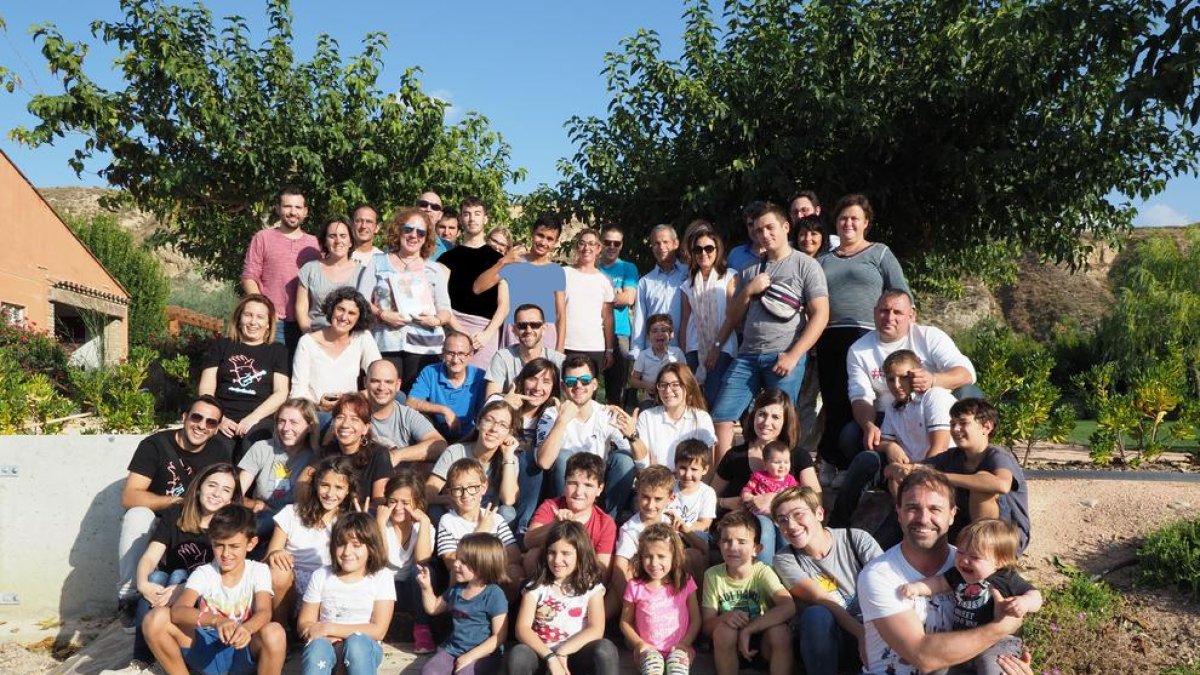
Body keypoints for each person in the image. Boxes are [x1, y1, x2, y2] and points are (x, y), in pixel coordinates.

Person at [858, 469, 1024, 675]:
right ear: (898, 513)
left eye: (935, 509)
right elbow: (922, 656)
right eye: (912, 508)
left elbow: (1016, 609)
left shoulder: (977, 566)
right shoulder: (880, 575)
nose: (923, 518)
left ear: (952, 514)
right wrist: (1000, 628)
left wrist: (1010, 663)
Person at [711, 202, 829, 461]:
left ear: (786, 227)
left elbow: (821, 314)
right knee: (722, 416)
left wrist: (794, 355)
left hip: (783, 356)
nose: (764, 234)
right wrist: (748, 290)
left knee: (780, 422)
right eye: (759, 230)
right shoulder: (750, 269)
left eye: (770, 227)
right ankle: (723, 476)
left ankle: (780, 475)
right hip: (747, 356)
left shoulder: (806, 265)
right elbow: (733, 316)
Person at [814, 194, 910, 476]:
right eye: (843, 218)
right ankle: (831, 460)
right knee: (833, 400)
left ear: (866, 222)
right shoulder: (823, 260)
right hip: (829, 335)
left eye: (855, 218)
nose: (848, 223)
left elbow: (902, 292)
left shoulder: (879, 253)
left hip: (867, 335)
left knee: (861, 398)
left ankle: (855, 464)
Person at [118, 396, 231, 620]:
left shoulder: (219, 450)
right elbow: (130, 496)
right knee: (136, 516)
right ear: (184, 417)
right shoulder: (155, 445)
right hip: (161, 519)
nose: (202, 425)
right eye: (197, 417)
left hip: (197, 520)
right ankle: (128, 597)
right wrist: (176, 502)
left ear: (216, 429)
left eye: (210, 422)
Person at [143, 505, 285, 675]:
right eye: (219, 545)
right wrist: (217, 621)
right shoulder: (204, 573)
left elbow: (264, 612)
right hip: (207, 648)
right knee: (155, 618)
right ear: (211, 541)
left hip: (243, 647)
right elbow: (178, 611)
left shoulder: (258, 570)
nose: (226, 554)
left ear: (251, 544)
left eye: (234, 546)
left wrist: (248, 629)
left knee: (274, 631)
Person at [845, 289, 978, 468]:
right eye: (884, 311)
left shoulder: (930, 336)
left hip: (930, 410)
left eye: (897, 312)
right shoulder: (858, 349)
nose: (889, 317)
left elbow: (967, 373)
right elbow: (860, 396)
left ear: (912, 315)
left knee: (970, 393)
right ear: (875, 312)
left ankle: (970, 459)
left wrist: (933, 380)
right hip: (888, 415)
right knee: (851, 435)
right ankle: (881, 471)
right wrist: (868, 426)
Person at [129, 464, 243, 669]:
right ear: (199, 487)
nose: (216, 493)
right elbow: (151, 556)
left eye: (226, 490)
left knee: (178, 575)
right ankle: (142, 660)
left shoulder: (230, 526)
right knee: (155, 579)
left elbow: (225, 573)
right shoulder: (176, 513)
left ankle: (171, 656)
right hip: (168, 589)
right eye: (212, 485)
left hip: (205, 593)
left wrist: (183, 588)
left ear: (231, 499)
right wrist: (142, 584)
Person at [885, 399, 1031, 553]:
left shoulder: (997, 456)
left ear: (986, 427)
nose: (955, 429)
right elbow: (908, 469)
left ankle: (984, 554)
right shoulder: (953, 456)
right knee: (904, 481)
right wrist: (898, 469)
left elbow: (1002, 484)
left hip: (1005, 537)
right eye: (952, 424)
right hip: (961, 532)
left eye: (963, 423)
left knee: (981, 486)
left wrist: (940, 477)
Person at [829, 349, 953, 529]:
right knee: (867, 459)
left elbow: (939, 449)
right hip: (904, 469)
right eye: (890, 379)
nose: (896, 385)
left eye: (903, 377)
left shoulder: (933, 397)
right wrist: (889, 447)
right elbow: (883, 441)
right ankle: (836, 524)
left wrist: (909, 472)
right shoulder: (893, 407)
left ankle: (902, 521)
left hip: (934, 470)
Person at [900, 519, 1042, 675]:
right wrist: (917, 587)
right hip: (964, 639)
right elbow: (939, 583)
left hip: (1000, 642)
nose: (964, 560)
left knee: (993, 669)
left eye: (975, 557)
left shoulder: (1006, 578)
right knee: (938, 669)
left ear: (999, 561)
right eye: (960, 552)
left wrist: (1024, 602)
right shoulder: (958, 575)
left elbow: (1036, 596)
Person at [771, 486, 882, 675]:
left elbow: (885, 586)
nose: (791, 525)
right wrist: (861, 634)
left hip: (875, 629)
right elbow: (821, 599)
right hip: (831, 637)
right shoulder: (785, 559)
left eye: (798, 514)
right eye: (782, 520)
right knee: (816, 614)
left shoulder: (856, 539)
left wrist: (872, 635)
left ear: (819, 513)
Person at [712, 389, 820, 563]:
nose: (766, 422)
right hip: (743, 525)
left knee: (782, 526)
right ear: (753, 416)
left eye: (775, 417)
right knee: (765, 527)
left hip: (787, 522)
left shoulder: (798, 455)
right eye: (762, 414)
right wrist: (727, 502)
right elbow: (709, 496)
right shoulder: (735, 456)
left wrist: (775, 499)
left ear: (785, 422)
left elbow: (815, 496)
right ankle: (764, 573)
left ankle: (789, 569)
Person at [357, 207, 452, 394]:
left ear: (426, 238)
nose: (413, 235)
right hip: (385, 343)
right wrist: (382, 314)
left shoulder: (434, 269)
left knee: (416, 401)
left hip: (425, 348)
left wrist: (436, 320)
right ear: (398, 230)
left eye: (420, 232)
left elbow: (445, 309)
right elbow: (360, 300)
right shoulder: (377, 262)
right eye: (408, 229)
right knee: (384, 397)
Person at [508, 521, 618, 675]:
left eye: (566, 553)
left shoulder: (592, 588)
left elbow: (596, 629)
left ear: (580, 554)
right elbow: (522, 628)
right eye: (552, 552)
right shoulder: (536, 586)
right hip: (543, 654)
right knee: (519, 654)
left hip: (576, 653)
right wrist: (551, 657)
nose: (557, 560)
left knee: (605, 649)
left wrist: (562, 651)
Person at [534, 355, 637, 518]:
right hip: (567, 487)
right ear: (563, 386)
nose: (578, 386)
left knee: (624, 459)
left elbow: (634, 458)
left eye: (585, 380)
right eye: (571, 381)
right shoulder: (552, 414)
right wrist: (562, 421)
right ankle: (567, 518)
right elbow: (544, 462)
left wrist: (633, 435)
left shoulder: (605, 413)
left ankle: (609, 520)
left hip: (597, 484)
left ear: (595, 384)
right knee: (563, 457)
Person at [297, 512, 396, 675]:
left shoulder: (381, 576)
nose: (347, 552)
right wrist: (317, 633)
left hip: (363, 648)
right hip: (326, 644)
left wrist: (329, 628)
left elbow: (379, 630)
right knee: (317, 648)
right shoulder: (321, 575)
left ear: (371, 548)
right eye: (341, 544)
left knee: (356, 643)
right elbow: (304, 622)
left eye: (356, 545)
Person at [198, 294, 290, 465]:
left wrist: (253, 418)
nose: (253, 322)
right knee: (219, 447)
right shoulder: (221, 346)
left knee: (252, 444)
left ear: (268, 324)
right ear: (239, 319)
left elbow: (281, 392)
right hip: (223, 415)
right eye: (248, 315)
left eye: (260, 317)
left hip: (260, 418)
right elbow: (206, 389)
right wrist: (219, 419)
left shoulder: (278, 351)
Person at [701, 510, 795, 675]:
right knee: (724, 632)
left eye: (742, 542)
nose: (733, 548)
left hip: (762, 642)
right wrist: (726, 618)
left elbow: (788, 606)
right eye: (726, 541)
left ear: (756, 549)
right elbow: (707, 627)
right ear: (719, 545)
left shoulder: (762, 572)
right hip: (731, 646)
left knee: (781, 632)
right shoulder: (712, 575)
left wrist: (749, 630)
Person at [266, 456, 358, 617]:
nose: (330, 493)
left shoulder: (349, 520)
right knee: (278, 571)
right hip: (290, 585)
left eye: (338, 487)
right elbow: (270, 554)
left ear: (348, 490)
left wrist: (362, 525)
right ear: (316, 484)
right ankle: (282, 625)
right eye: (325, 485)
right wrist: (276, 554)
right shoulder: (291, 513)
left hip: (326, 585)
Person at [609, 466, 706, 618]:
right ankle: (624, 616)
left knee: (695, 556)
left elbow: (704, 549)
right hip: (646, 581)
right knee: (629, 570)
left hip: (669, 575)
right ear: (638, 493)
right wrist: (632, 605)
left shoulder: (670, 519)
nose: (650, 505)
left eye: (658, 499)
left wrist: (686, 531)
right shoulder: (630, 529)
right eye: (645, 497)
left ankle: (698, 614)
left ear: (671, 498)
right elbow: (619, 569)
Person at [241, 185, 321, 355]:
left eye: (298, 207)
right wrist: (265, 310)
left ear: (305, 211)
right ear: (278, 208)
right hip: (273, 322)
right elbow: (249, 277)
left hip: (307, 323)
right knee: (270, 369)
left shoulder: (315, 244)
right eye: (287, 206)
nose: (293, 212)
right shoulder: (263, 238)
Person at [417, 532, 510, 675]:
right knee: (429, 671)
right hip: (453, 650)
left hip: (484, 655)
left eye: (463, 562)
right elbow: (433, 608)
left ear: (482, 565)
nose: (456, 564)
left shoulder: (494, 594)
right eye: (457, 558)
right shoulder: (457, 590)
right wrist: (426, 587)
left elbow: (499, 636)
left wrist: (471, 656)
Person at [473, 213, 567, 349]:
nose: (543, 242)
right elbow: (478, 288)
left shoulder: (556, 271)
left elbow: (561, 315)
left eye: (549, 239)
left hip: (545, 337)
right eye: (540, 235)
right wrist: (503, 261)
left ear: (556, 242)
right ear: (532, 233)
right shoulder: (514, 262)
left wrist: (560, 349)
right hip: (514, 333)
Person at [438, 197, 509, 370]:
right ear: (461, 219)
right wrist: (459, 330)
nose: (472, 218)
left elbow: (504, 304)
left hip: (485, 335)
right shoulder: (446, 259)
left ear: (485, 219)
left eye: (477, 214)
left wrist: (487, 334)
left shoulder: (499, 260)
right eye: (467, 214)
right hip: (453, 331)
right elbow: (440, 300)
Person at [620, 524, 700, 675]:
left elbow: (696, 619)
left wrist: (685, 643)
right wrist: (639, 644)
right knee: (653, 668)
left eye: (661, 556)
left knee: (677, 670)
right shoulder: (635, 586)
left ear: (674, 556)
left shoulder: (685, 582)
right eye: (648, 556)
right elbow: (625, 622)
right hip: (648, 651)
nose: (654, 563)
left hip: (679, 648)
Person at [425, 400, 521, 526]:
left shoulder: (510, 459)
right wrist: (454, 499)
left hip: (487, 519)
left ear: (509, 433)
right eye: (489, 420)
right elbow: (428, 492)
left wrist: (508, 456)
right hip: (455, 516)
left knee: (508, 512)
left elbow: (508, 500)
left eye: (503, 425)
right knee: (434, 510)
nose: (494, 429)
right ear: (478, 423)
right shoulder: (455, 451)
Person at [433, 459, 524, 591]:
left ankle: (502, 604)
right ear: (450, 492)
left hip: (495, 575)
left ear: (483, 488)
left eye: (472, 487)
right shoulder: (448, 521)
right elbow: (451, 563)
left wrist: (487, 568)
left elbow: (514, 555)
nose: (465, 494)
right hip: (466, 581)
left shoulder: (495, 519)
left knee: (515, 571)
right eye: (458, 489)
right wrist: (480, 532)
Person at [288, 287, 381, 416]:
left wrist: (347, 399)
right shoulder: (307, 342)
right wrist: (319, 406)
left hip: (351, 411)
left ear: (359, 318)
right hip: (316, 412)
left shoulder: (363, 337)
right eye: (340, 309)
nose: (344, 317)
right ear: (332, 309)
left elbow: (381, 378)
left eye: (351, 313)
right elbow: (298, 392)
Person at [238, 398, 321, 541]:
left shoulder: (315, 458)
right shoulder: (262, 448)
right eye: (281, 421)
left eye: (293, 422)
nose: (286, 428)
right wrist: (254, 504)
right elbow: (236, 494)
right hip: (260, 517)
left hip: (294, 523)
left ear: (310, 427)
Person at [523, 453, 617, 577]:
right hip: (549, 575)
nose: (579, 492)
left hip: (582, 579)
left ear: (599, 489)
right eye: (573, 483)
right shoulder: (551, 506)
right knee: (532, 555)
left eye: (588, 485)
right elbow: (528, 541)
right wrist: (555, 526)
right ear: (565, 483)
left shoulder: (605, 523)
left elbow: (602, 570)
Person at [500, 357, 561, 533]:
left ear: (553, 388)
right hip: (503, 480)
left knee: (532, 459)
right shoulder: (501, 403)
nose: (537, 387)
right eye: (532, 379)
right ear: (522, 380)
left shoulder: (552, 416)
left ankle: (524, 525)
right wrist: (505, 408)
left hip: (539, 487)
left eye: (546, 382)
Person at [377, 472, 435, 654]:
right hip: (384, 592)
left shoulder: (423, 527)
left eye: (406, 502)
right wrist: (379, 523)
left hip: (412, 591)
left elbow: (422, 559)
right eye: (393, 501)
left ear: (417, 503)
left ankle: (422, 627)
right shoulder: (381, 524)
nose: (398, 507)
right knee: (378, 572)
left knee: (421, 571)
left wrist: (424, 521)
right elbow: (379, 559)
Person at [680, 227, 738, 405]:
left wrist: (716, 348)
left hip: (723, 345)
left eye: (709, 248)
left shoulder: (729, 276)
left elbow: (732, 316)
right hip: (694, 347)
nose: (703, 253)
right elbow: (685, 321)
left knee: (714, 396)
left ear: (717, 250)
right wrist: (682, 353)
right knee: (693, 400)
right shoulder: (687, 284)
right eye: (698, 249)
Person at [308, 394, 394, 503]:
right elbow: (303, 485)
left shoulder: (378, 454)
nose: (345, 424)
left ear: (365, 428)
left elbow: (380, 500)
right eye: (340, 417)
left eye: (354, 419)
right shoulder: (324, 453)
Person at [407, 331, 489, 441]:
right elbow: (411, 402)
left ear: (470, 355)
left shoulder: (480, 376)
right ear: (443, 354)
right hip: (435, 434)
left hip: (470, 436)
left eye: (461, 354)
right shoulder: (430, 372)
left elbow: (486, 413)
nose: (455, 360)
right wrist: (444, 410)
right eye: (450, 353)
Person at [363, 359, 447, 464]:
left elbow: (440, 445)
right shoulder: (354, 414)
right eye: (375, 381)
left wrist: (397, 455)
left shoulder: (407, 415)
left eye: (388, 382)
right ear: (365, 382)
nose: (381, 387)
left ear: (398, 385)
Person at [634, 363, 716, 470]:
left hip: (689, 480)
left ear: (687, 386)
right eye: (663, 385)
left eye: (675, 384)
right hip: (655, 479)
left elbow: (708, 465)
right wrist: (632, 435)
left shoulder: (702, 418)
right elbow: (642, 465)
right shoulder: (647, 416)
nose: (668, 390)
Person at [296, 217, 368, 334]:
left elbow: (366, 311)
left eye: (343, 236)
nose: (338, 241)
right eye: (332, 236)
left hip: (351, 338)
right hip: (316, 335)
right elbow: (301, 308)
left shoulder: (363, 273)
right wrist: (310, 336)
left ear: (351, 241)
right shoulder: (310, 269)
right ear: (325, 241)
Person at [559, 228, 616, 372]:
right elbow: (558, 311)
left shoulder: (605, 280)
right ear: (577, 246)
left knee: (589, 385)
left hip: (594, 346)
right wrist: (558, 345)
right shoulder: (564, 273)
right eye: (582, 243)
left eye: (591, 244)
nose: (586, 248)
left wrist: (609, 349)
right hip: (567, 344)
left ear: (598, 248)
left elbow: (608, 317)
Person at [630, 225, 688, 360]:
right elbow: (639, 320)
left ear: (676, 244)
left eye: (665, 242)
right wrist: (637, 351)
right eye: (656, 243)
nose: (661, 247)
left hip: (683, 349)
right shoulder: (645, 282)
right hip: (653, 353)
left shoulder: (689, 274)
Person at [598, 223, 639, 407]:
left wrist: (599, 296)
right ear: (600, 242)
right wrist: (615, 294)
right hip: (593, 332)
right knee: (586, 385)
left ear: (622, 245)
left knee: (616, 392)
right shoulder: (593, 267)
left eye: (617, 243)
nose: (612, 247)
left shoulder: (628, 268)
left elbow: (629, 298)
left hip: (620, 333)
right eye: (607, 242)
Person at [484, 303, 565, 396]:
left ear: (544, 328)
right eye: (522, 325)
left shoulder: (559, 361)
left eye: (535, 325)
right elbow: (491, 399)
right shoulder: (502, 358)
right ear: (514, 330)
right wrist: (508, 401)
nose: (528, 330)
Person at [664, 439, 717, 556]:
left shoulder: (707, 493)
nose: (688, 475)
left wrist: (683, 526)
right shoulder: (668, 487)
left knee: (692, 555)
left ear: (705, 470)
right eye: (683, 468)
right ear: (676, 466)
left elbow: (704, 524)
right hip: (668, 537)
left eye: (694, 469)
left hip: (694, 540)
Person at [628, 314, 686, 406]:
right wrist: (646, 385)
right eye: (654, 331)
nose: (659, 334)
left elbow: (686, 377)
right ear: (648, 336)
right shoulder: (643, 355)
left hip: (672, 397)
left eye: (664, 330)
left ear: (671, 334)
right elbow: (633, 380)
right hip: (650, 398)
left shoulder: (677, 353)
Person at [740, 441, 798, 515]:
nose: (782, 466)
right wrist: (748, 497)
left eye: (786, 462)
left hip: (781, 513)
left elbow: (794, 495)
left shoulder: (790, 480)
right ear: (765, 464)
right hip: (760, 512)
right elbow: (747, 489)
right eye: (777, 462)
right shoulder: (758, 477)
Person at [725, 201, 765, 272]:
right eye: (750, 225)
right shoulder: (735, 254)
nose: (755, 228)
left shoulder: (779, 253)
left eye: (759, 223)